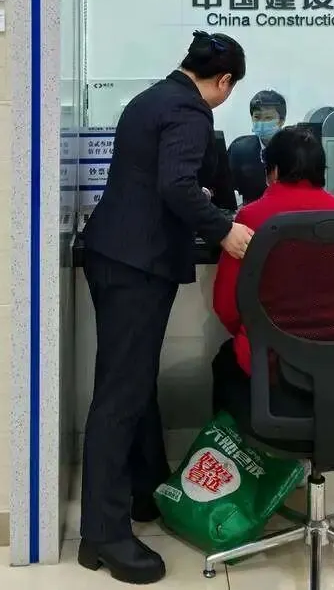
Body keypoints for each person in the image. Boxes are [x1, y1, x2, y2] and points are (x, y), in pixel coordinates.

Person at [78, 31, 253, 585]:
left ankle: (144, 490)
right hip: (136, 265)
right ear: (224, 81)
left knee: (132, 385)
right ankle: (102, 535)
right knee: (119, 397)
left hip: (116, 256)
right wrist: (223, 229)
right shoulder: (190, 111)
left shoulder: (153, 98)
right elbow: (176, 185)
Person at [212, 126, 334, 417]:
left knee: (224, 362)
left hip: (270, 364)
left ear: (274, 170)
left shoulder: (250, 217)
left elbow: (227, 305)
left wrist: (255, 334)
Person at [228, 89, 287, 204]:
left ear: (281, 121)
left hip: (287, 209)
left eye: (268, 118)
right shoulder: (239, 149)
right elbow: (228, 186)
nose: (262, 122)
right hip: (250, 208)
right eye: (257, 117)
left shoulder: (295, 149)